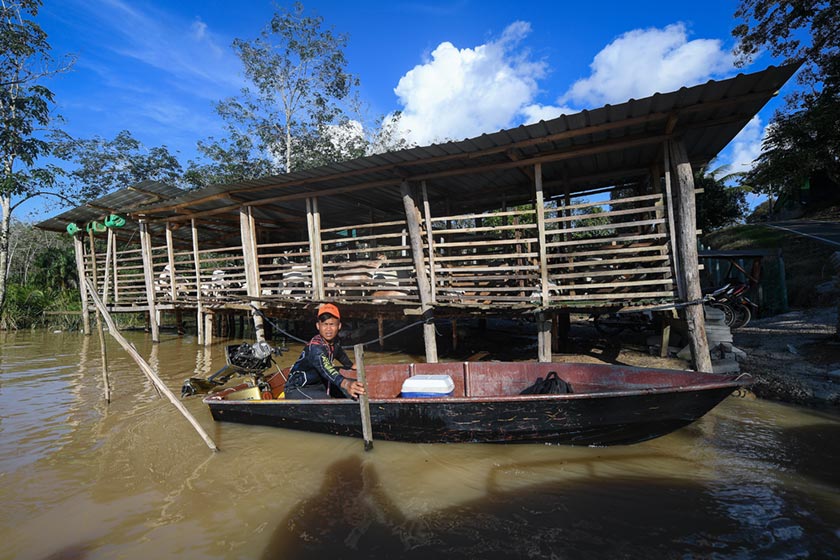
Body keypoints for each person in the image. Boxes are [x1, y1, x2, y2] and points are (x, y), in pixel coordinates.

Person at [283, 303, 366, 400]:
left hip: (319, 384)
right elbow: (326, 368)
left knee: (357, 387)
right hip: (298, 388)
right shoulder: (315, 348)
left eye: (332, 324)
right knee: (326, 400)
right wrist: (346, 384)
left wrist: (350, 366)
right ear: (318, 326)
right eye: (325, 325)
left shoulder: (335, 341)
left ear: (339, 326)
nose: (328, 329)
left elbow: (340, 354)